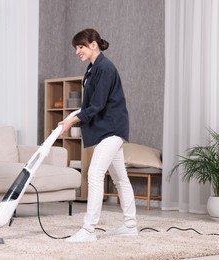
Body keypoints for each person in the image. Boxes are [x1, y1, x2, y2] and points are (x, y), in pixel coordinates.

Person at [58, 28, 137, 242]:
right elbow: (89, 104)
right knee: (121, 178)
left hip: (112, 129)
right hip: (105, 130)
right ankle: (130, 226)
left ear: (93, 44)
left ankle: (89, 230)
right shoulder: (93, 68)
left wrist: (72, 120)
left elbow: (98, 105)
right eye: (76, 48)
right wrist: (74, 116)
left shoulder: (106, 68)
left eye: (80, 46)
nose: (77, 51)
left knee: (94, 175)